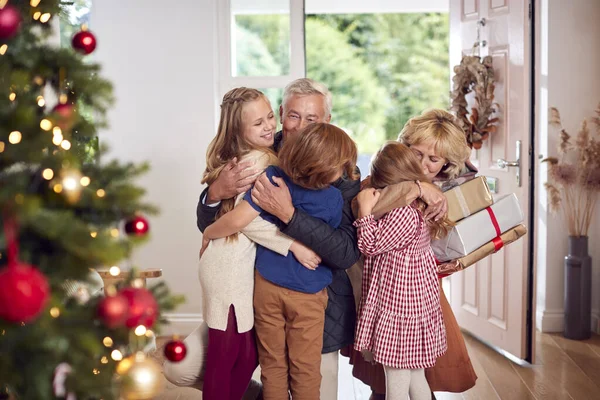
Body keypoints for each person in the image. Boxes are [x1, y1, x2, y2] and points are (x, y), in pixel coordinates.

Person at [196, 79, 448, 399]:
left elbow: (344, 252)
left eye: (312, 119)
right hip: (247, 291)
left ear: (326, 121)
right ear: (281, 114)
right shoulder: (257, 151)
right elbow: (216, 222)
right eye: (293, 116)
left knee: (309, 378)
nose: (301, 127)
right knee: (187, 367)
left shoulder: (340, 170)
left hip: (316, 301)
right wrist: (215, 194)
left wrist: (289, 216)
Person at [164, 87, 321, 399]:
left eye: (269, 118)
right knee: (225, 357)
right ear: (238, 129)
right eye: (257, 123)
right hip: (227, 269)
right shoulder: (258, 162)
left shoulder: (266, 153)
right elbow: (247, 221)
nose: (268, 127)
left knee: (246, 356)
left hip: (235, 263)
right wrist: (293, 246)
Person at [201, 123, 359, 399]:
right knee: (305, 368)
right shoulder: (333, 199)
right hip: (307, 295)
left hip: (267, 287)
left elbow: (240, 219)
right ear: (328, 169)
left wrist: (209, 233)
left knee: (272, 365)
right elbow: (332, 247)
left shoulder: (272, 175)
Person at [346, 109, 478, 399]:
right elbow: (365, 203)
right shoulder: (389, 181)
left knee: (407, 368)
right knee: (400, 371)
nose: (423, 164)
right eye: (416, 153)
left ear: (446, 163)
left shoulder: (442, 192)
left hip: (406, 293)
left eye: (434, 159)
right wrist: (417, 186)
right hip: (389, 287)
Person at [354, 142, 452, 400]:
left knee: (396, 378)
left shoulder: (402, 214)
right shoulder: (417, 206)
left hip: (400, 308)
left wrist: (365, 212)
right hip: (412, 306)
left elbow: (370, 245)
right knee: (415, 374)